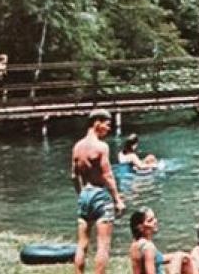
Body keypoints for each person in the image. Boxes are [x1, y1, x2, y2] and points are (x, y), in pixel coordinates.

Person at [72, 109, 126, 274]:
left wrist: (81, 194)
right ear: (97, 122)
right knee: (103, 245)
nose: (108, 129)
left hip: (84, 194)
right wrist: (117, 199)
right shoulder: (101, 147)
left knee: (82, 243)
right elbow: (107, 175)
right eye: (107, 125)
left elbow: (73, 175)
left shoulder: (77, 146)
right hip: (100, 195)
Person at [129, 208, 192, 274]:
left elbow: (156, 258)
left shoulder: (135, 244)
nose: (155, 221)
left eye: (154, 218)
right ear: (140, 227)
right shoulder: (148, 247)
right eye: (150, 220)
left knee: (182, 257)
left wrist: (179, 255)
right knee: (183, 258)